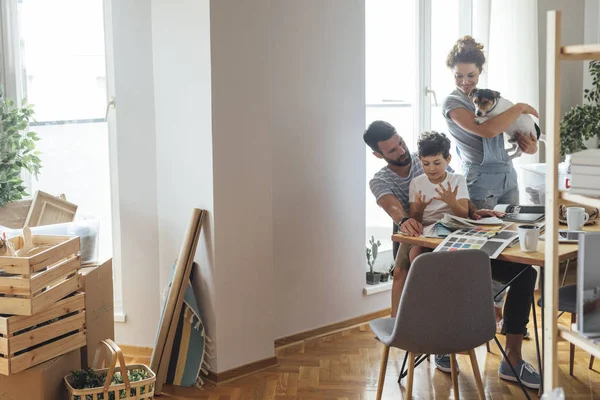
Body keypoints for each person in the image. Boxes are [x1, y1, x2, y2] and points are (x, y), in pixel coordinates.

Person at [364, 120, 540, 389]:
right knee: (423, 266)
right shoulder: (381, 179)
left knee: (525, 272)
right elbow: (396, 210)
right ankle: (441, 341)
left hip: (457, 233)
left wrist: (475, 212)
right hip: (417, 238)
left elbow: (459, 194)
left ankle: (512, 358)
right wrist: (408, 219)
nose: (401, 150)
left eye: (400, 141)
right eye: (392, 149)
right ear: (379, 155)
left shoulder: (427, 155)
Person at [443, 36, 541, 334]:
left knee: (512, 250)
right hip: (479, 181)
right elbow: (487, 131)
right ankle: (470, 323)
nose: (464, 81)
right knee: (481, 254)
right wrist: (521, 106)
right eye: (459, 75)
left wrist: (528, 144)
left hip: (508, 175)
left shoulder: (492, 100)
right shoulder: (454, 103)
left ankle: (498, 316)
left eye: (470, 75)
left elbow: (529, 144)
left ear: (480, 72)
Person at [408, 131, 469, 263]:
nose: (431, 169)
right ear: (420, 161)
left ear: (448, 159)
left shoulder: (457, 180)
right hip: (426, 231)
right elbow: (415, 220)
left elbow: (464, 215)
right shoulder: (416, 183)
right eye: (426, 163)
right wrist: (420, 208)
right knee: (416, 252)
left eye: (437, 163)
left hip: (452, 229)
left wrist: (452, 202)